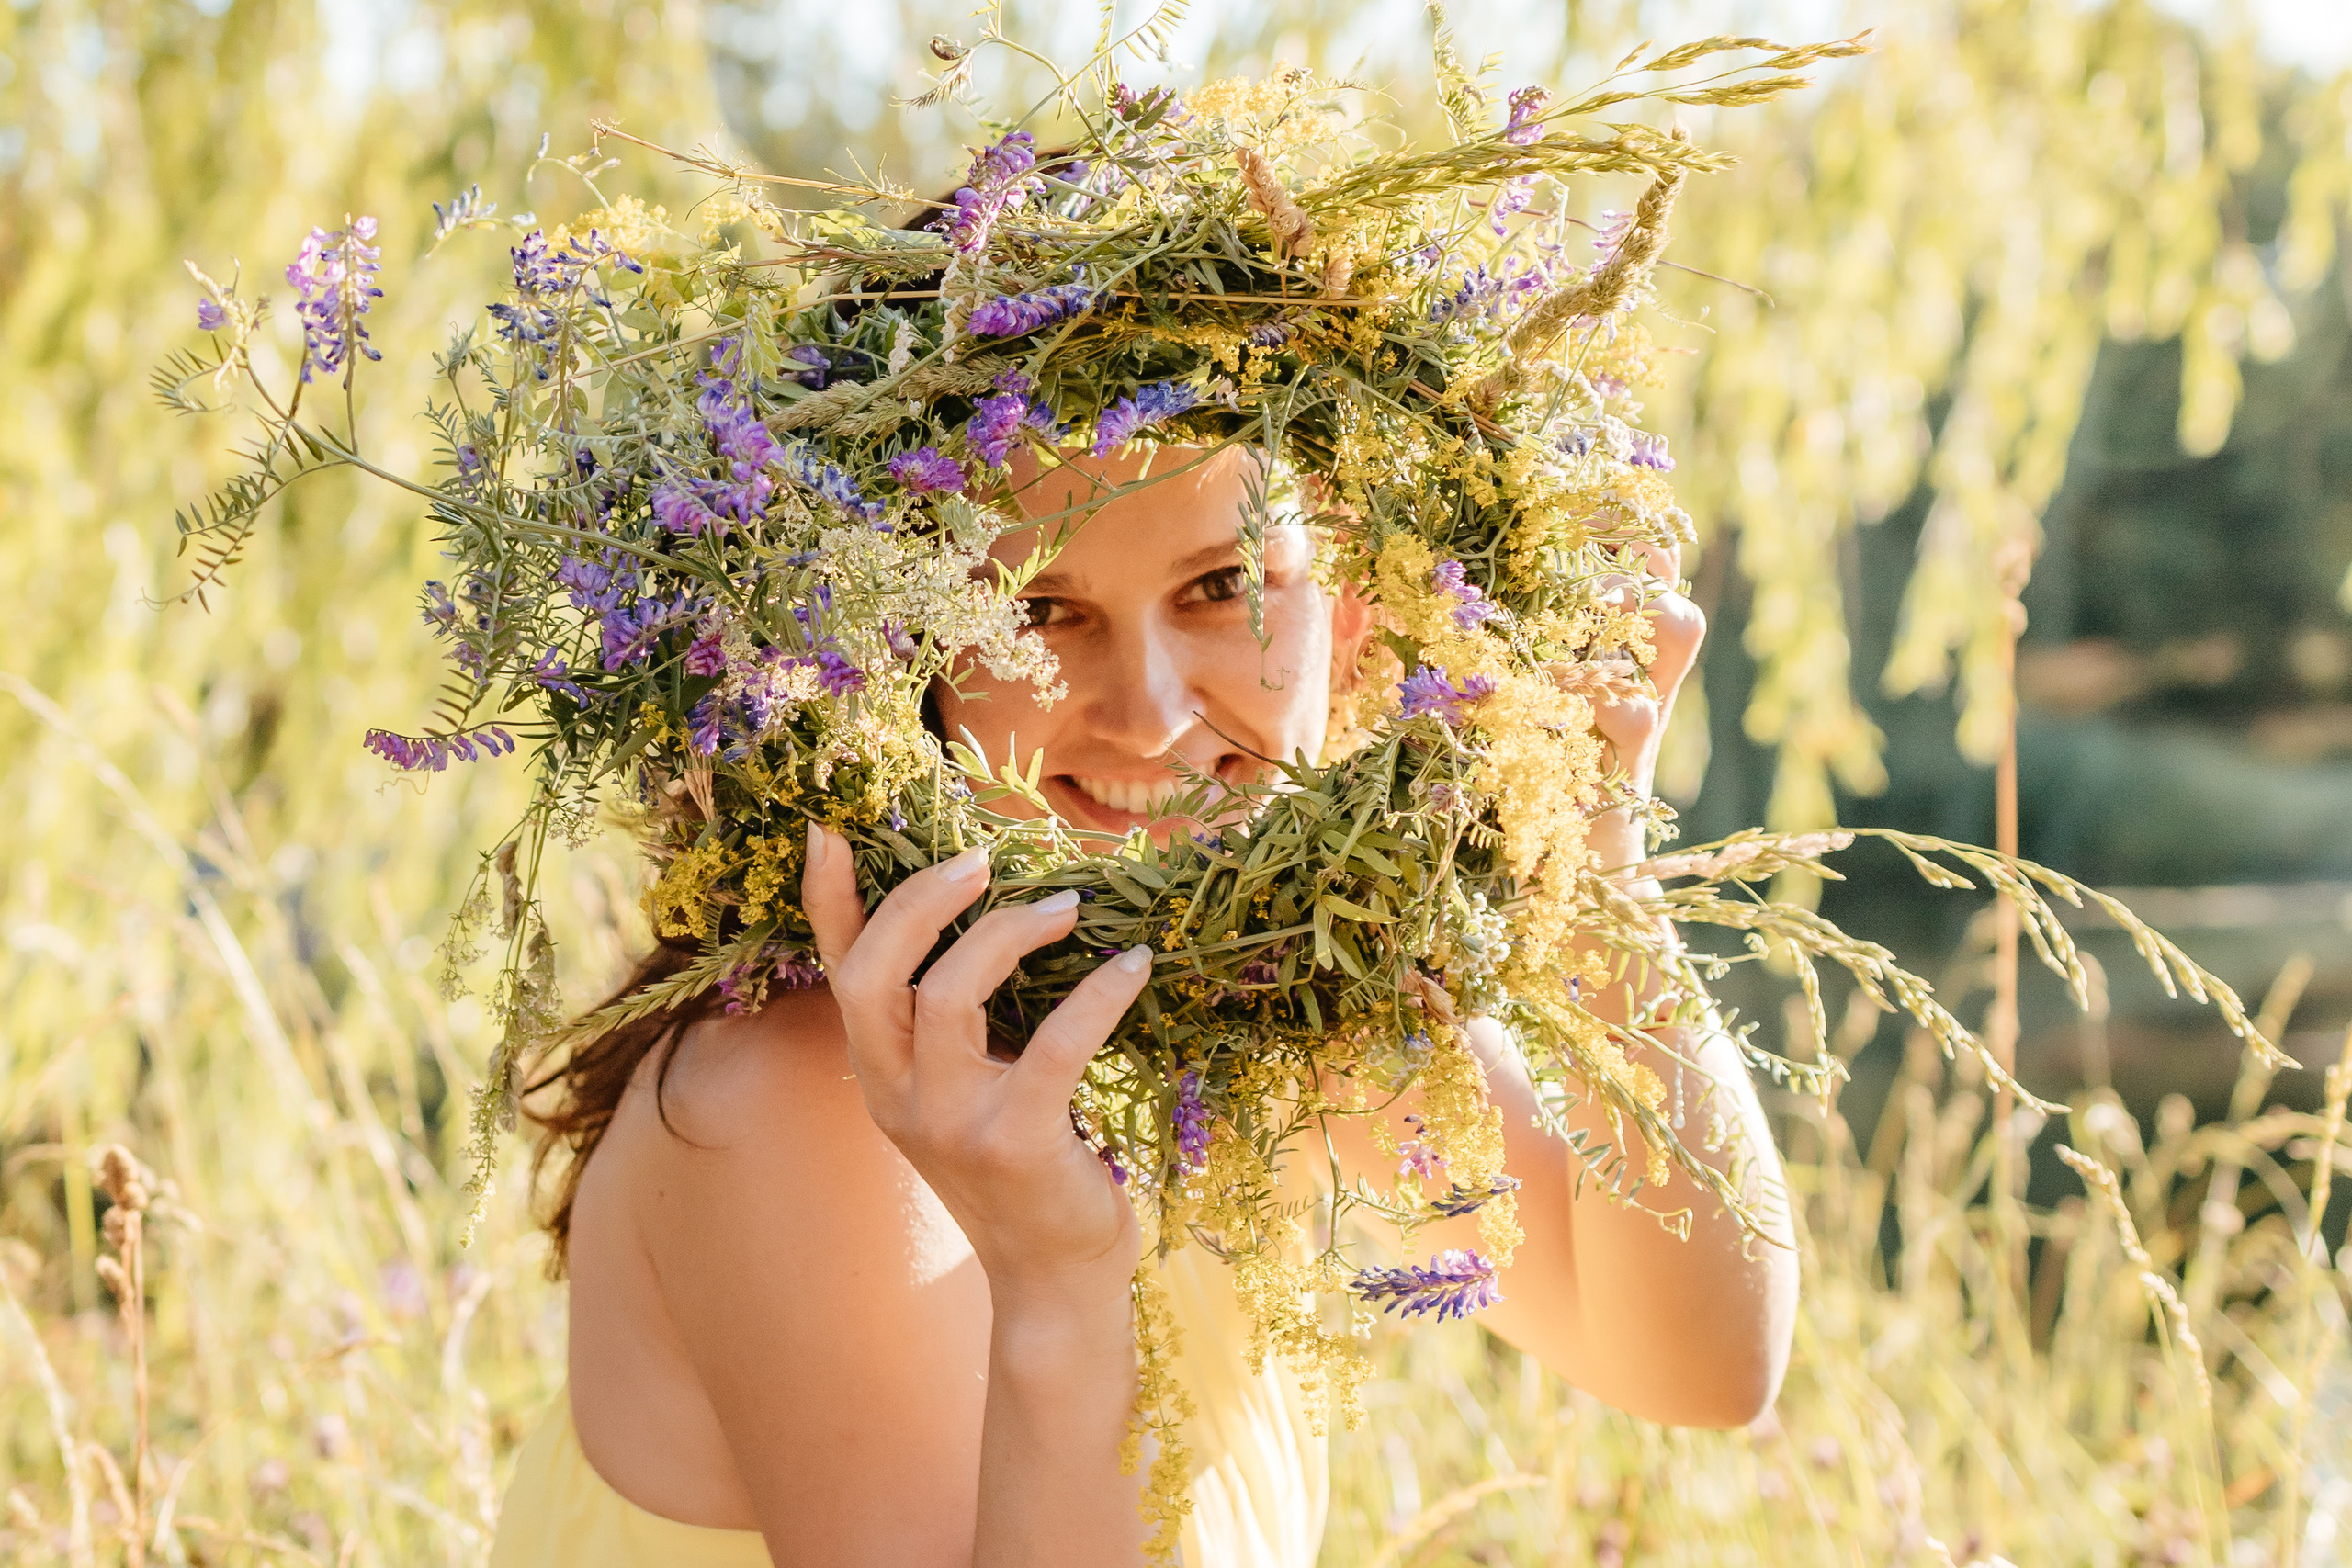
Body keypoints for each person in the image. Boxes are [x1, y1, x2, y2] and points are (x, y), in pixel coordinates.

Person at [488, 443, 1799, 1568]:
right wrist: (1058, 1284)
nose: (1152, 715)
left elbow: (1697, 1367)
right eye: (1039, 610)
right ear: (897, 659)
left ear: (1342, 616)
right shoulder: (805, 1105)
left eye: (1225, 589)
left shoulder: (1260, 1004)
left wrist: (1601, 847)